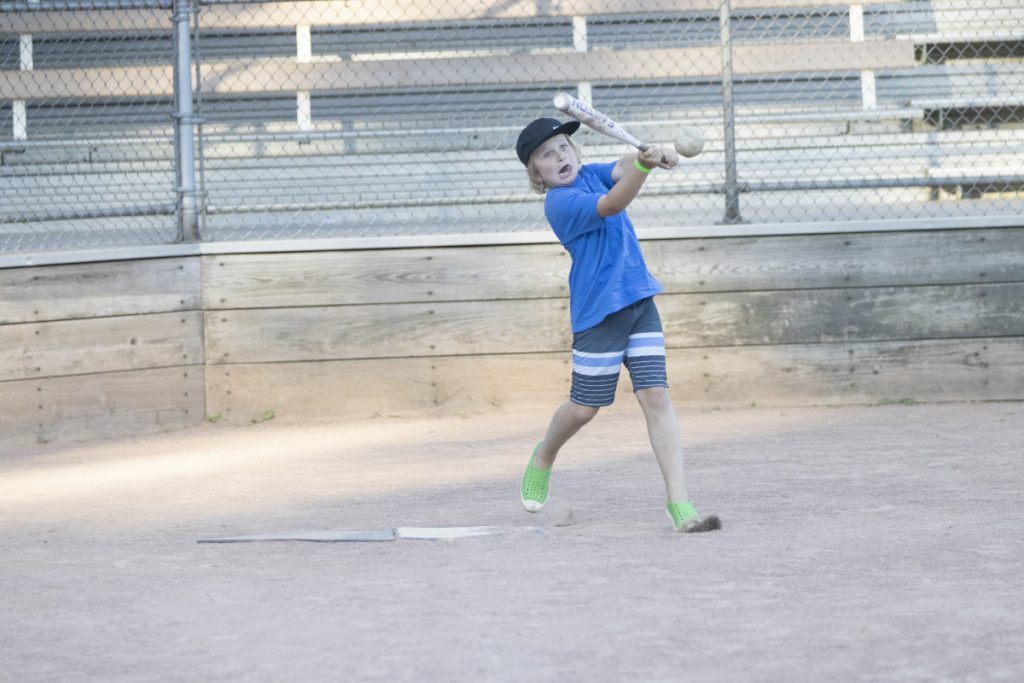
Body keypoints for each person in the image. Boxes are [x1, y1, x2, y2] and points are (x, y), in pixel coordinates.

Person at [515, 116, 721, 533]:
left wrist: (649, 156)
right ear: (537, 174)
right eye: (546, 156)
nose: (559, 157)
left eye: (564, 148)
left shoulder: (590, 174)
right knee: (583, 409)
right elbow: (613, 204)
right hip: (599, 316)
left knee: (656, 397)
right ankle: (544, 455)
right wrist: (646, 167)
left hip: (639, 302)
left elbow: (622, 168)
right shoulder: (559, 203)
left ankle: (680, 504)